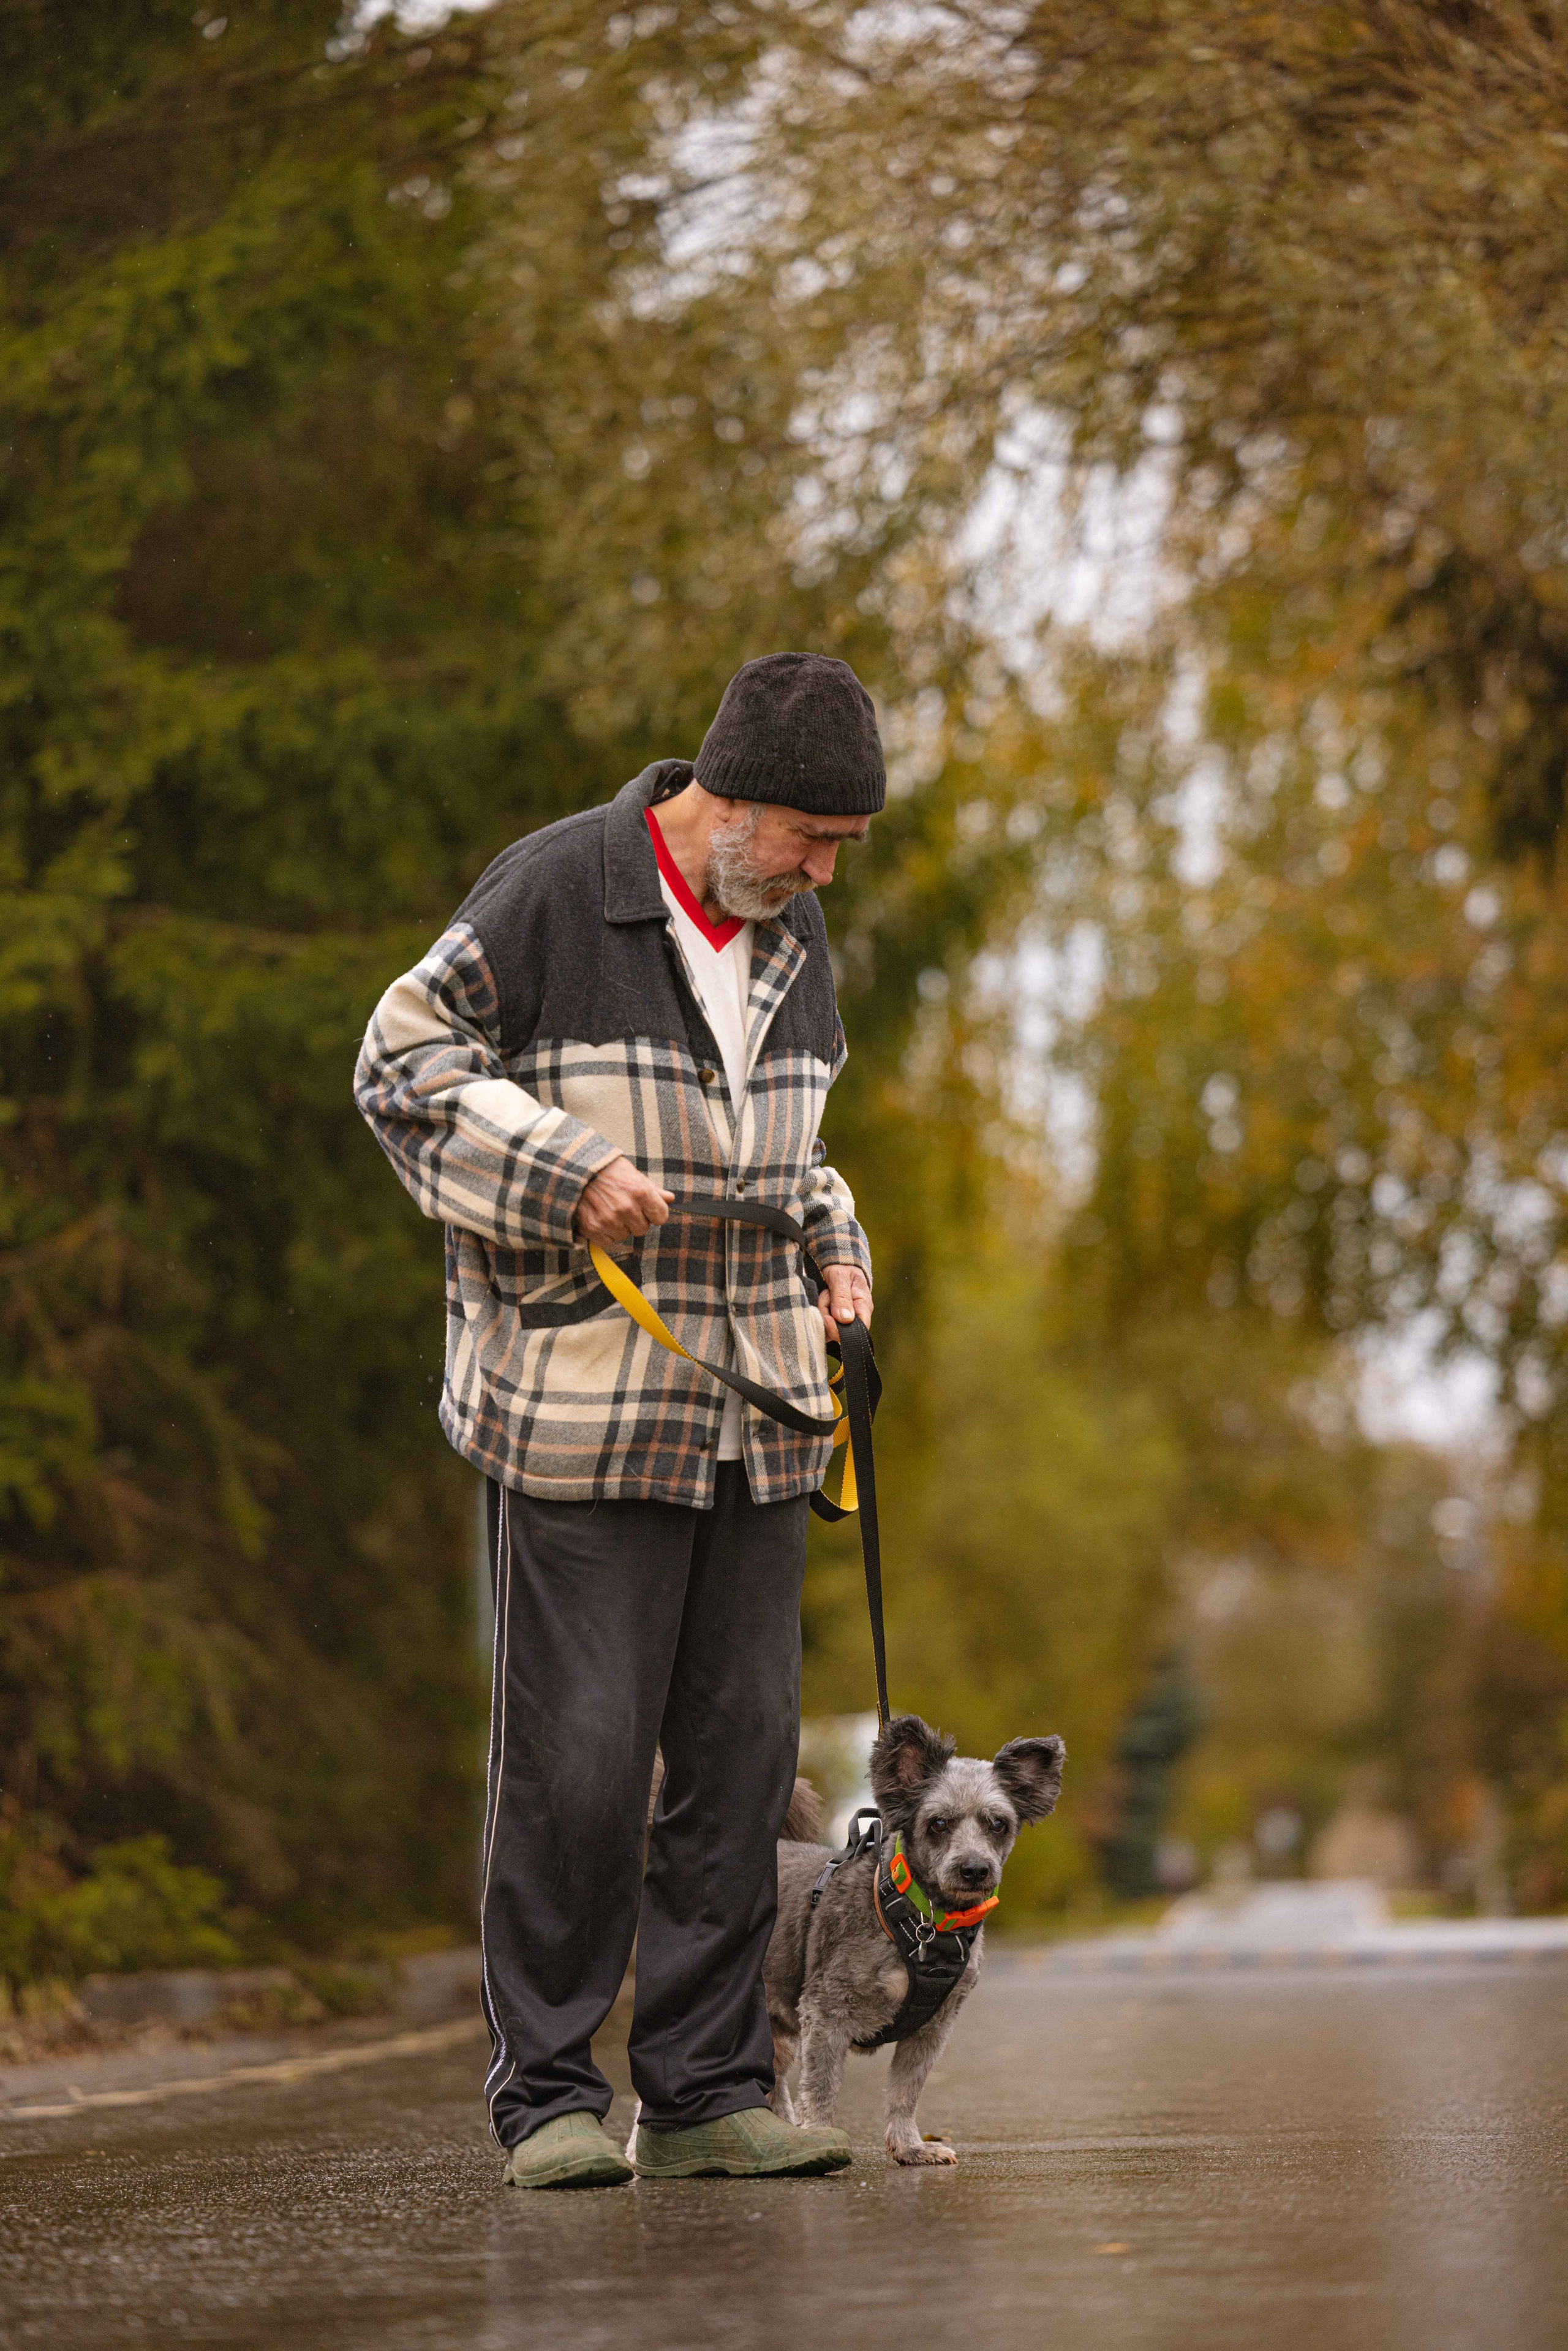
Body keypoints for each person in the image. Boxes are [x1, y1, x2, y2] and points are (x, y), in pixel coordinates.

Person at [355, 651, 880, 2188]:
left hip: (760, 1418)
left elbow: (799, 1157)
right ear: (725, 797)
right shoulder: (554, 891)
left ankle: (709, 2085)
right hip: (584, 1414)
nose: (822, 866)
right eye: (806, 833)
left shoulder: (792, 934)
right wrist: (560, 1166)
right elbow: (401, 1060)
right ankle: (546, 2097)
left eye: (840, 843)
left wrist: (838, 1258)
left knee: (739, 1763)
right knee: (579, 1764)